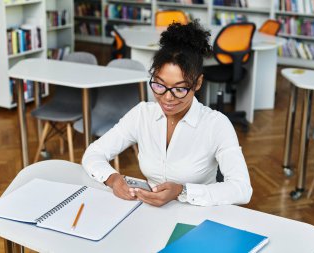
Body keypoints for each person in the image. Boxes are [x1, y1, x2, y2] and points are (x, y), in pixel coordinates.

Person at [82, 21, 252, 207]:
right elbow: (94, 153)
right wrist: (112, 179)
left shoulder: (216, 124)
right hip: (150, 211)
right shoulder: (142, 114)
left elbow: (242, 189)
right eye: (159, 85)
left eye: (179, 89)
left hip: (198, 215)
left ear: (197, 83)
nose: (167, 98)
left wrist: (183, 191)